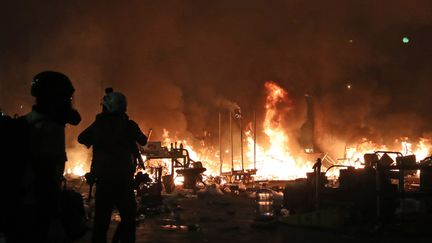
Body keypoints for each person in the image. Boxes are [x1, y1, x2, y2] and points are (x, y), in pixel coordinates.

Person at [2, 71, 81, 242]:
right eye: (66, 97)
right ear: (55, 99)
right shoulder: (48, 128)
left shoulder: (28, 122)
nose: (69, 103)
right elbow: (45, 175)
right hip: (35, 210)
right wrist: (54, 218)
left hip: (20, 207)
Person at [78, 89, 147, 243]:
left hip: (104, 181)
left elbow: (82, 138)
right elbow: (143, 140)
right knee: (128, 220)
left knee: (101, 223)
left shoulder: (99, 125)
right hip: (124, 181)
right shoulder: (129, 125)